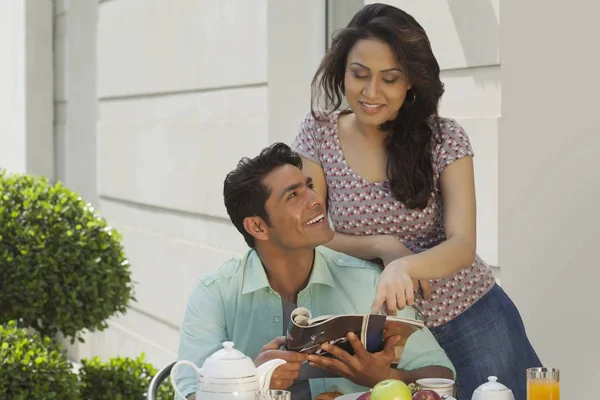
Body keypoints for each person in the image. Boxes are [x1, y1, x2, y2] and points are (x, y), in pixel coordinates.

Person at [291, 3, 541, 400]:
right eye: (360, 75)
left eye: (390, 79)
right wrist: (381, 246)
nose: (372, 92)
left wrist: (405, 265)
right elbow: (310, 232)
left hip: (471, 316)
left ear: (411, 82)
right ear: (342, 71)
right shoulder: (318, 132)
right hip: (382, 336)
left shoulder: (444, 138)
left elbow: (462, 245)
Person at [174, 143, 454, 400]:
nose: (316, 199)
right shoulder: (215, 294)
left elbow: (443, 376)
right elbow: (187, 393)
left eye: (308, 186)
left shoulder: (368, 282)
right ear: (258, 227)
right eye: (293, 195)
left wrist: (386, 377)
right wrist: (252, 380)